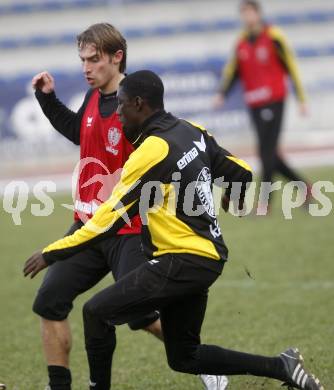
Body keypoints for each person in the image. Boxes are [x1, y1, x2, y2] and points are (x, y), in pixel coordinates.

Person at [24, 70, 323, 390]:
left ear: (139, 104)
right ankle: (282, 366)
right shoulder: (192, 130)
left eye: (122, 106)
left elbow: (105, 220)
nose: (119, 114)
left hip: (181, 259)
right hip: (207, 257)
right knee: (184, 358)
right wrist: (232, 196)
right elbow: (243, 171)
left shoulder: (150, 152)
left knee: (96, 313)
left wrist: (51, 251)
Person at [30, 23, 226, 390]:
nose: (86, 68)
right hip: (88, 227)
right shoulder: (93, 96)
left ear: (117, 57)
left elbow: (169, 156)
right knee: (49, 301)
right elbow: (81, 132)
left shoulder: (136, 105)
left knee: (138, 315)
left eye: (94, 60)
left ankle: (202, 362)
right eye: (82, 60)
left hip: (129, 230)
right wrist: (48, 100)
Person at [214, 0, 310, 213]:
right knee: (271, 154)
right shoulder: (241, 43)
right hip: (254, 103)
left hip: (274, 100)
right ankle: (304, 188)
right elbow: (233, 71)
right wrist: (222, 93)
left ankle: (265, 203)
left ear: (258, 14)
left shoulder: (274, 36)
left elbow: (291, 66)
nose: (247, 17)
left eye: (250, 12)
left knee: (266, 152)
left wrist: (301, 99)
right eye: (244, 13)